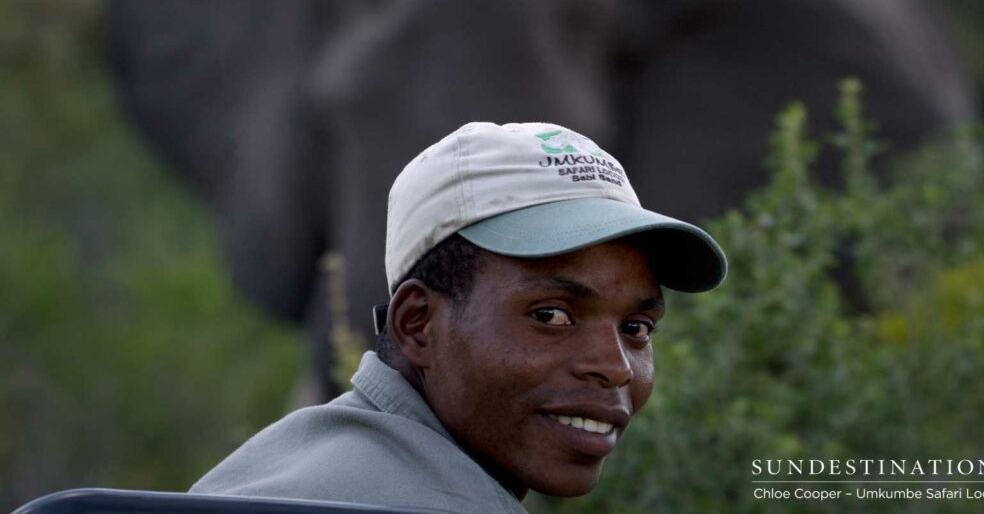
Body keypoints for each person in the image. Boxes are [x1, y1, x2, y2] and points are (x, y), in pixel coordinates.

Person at [191, 121, 727, 513]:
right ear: (418, 323)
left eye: (636, 329)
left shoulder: (275, 463)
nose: (616, 368)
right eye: (551, 315)